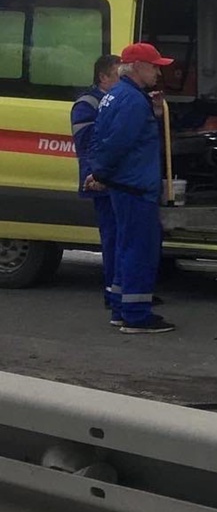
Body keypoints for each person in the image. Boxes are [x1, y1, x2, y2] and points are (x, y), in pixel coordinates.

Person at [87, 43, 176, 334]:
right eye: (154, 66)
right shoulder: (132, 101)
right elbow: (119, 143)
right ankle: (136, 316)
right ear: (137, 67)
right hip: (135, 188)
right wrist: (100, 172)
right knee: (139, 251)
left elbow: (104, 139)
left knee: (125, 249)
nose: (158, 72)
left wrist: (100, 172)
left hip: (124, 186)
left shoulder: (116, 96)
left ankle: (120, 308)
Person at [70, 53, 121, 319]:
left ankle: (122, 290)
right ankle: (112, 294)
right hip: (101, 182)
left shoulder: (111, 100)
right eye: (117, 75)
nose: (122, 80)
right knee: (112, 238)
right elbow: (88, 146)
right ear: (103, 77)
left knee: (121, 237)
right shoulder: (87, 104)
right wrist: (95, 177)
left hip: (113, 179)